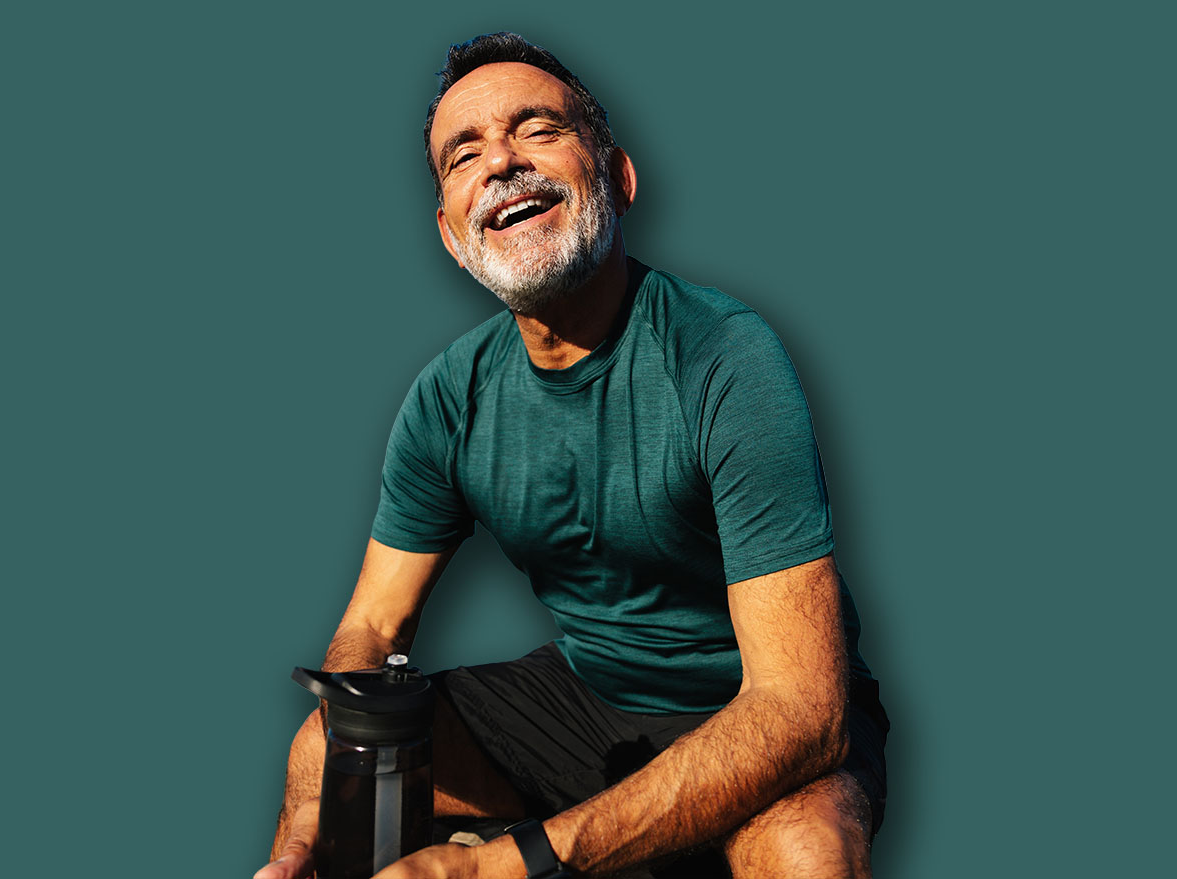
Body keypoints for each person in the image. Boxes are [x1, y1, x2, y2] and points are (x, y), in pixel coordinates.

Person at [256, 32, 888, 879]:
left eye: (538, 129)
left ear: (619, 177)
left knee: (805, 853)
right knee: (325, 745)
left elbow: (805, 706)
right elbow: (372, 625)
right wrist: (338, 769)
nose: (501, 163)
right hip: (583, 701)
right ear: (451, 233)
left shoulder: (724, 356)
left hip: (750, 706)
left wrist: (504, 865)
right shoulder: (449, 397)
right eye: (464, 153)